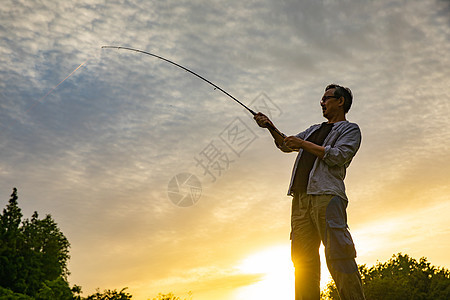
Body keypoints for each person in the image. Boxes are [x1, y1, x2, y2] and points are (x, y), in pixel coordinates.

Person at [254, 84, 365, 300]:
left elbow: (338, 156)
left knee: (339, 255)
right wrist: (270, 126)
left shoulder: (350, 129)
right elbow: (286, 144)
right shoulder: (314, 129)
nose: (321, 102)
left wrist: (303, 144)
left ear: (340, 101)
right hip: (300, 201)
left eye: (326, 98)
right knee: (303, 262)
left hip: (327, 197)